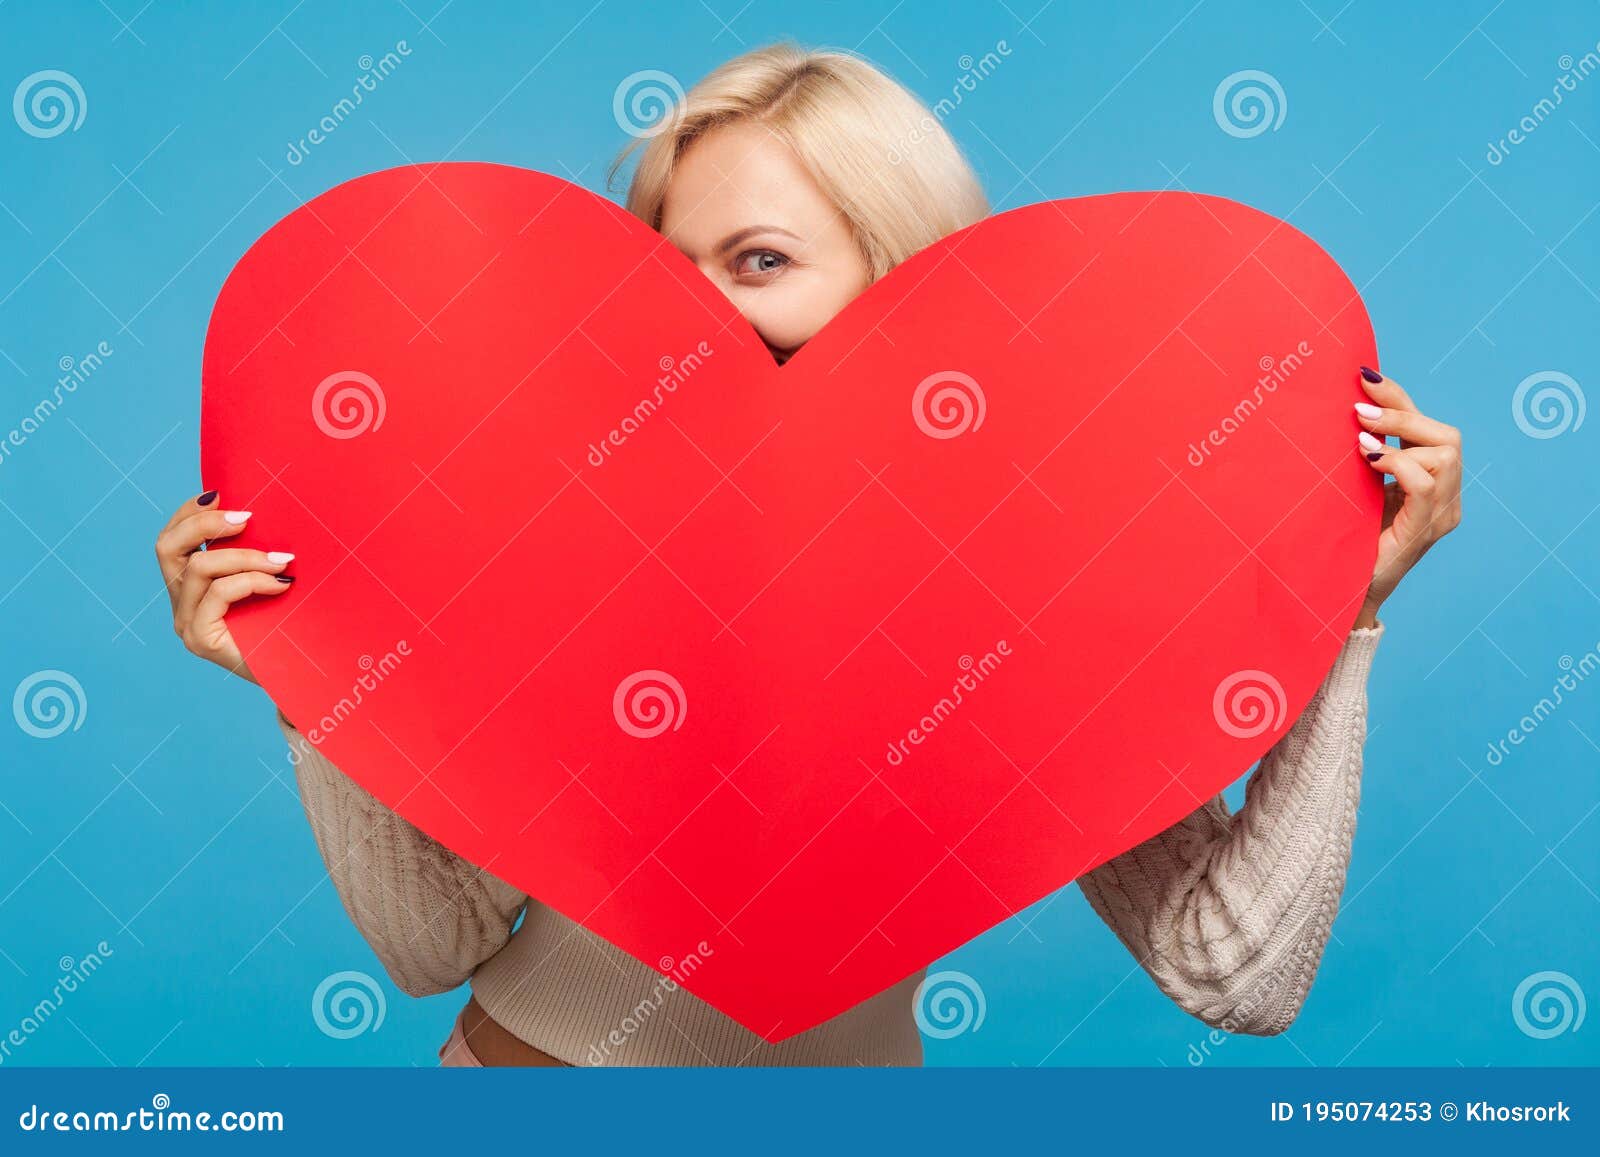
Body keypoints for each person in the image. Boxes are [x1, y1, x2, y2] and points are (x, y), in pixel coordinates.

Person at [154, 43, 1463, 1066]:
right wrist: (311, 672)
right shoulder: (557, 541)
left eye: (759, 261)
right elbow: (431, 945)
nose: (698, 317)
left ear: (903, 281)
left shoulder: (1037, 594)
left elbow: (1236, 973)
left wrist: (1339, 615)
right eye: (664, 272)